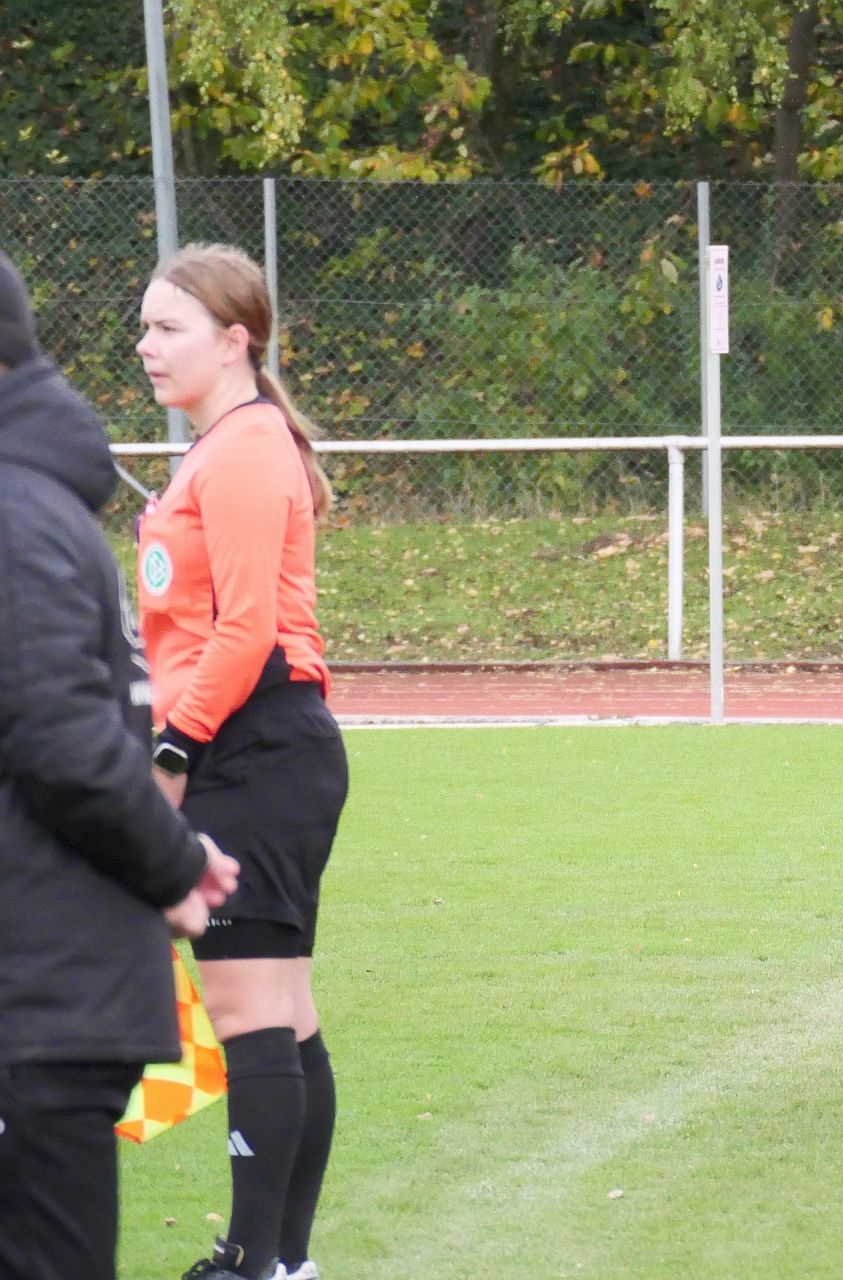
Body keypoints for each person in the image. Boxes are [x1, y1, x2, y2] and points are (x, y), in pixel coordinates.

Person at [0, 252, 240, 1280]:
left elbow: (59, 733)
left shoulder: (16, 514)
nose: (147, 347)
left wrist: (172, 862)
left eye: (167, 326)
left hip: (35, 995)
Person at [136, 244, 350, 1280]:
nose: (145, 346)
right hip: (258, 746)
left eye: (166, 327)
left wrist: (172, 752)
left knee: (250, 1013)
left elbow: (247, 629)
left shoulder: (247, 447)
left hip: (251, 748)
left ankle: (248, 1262)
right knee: (283, 1015)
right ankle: (282, 1263)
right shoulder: (222, 446)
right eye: (143, 326)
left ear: (235, 341)